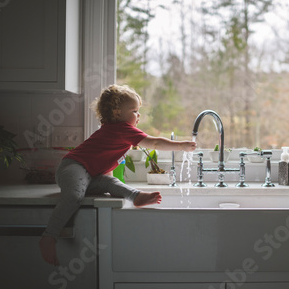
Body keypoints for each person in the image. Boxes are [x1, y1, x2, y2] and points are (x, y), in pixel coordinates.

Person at [39, 84, 197, 266]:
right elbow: (154, 143)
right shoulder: (122, 129)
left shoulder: (116, 130)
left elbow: (105, 164)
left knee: (109, 181)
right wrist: (181, 146)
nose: (139, 115)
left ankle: (136, 196)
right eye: (135, 111)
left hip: (89, 175)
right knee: (74, 196)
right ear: (117, 113)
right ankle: (49, 237)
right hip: (73, 167)